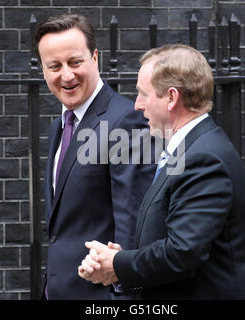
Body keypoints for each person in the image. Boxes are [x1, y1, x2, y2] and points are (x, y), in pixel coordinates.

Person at [78, 44, 245, 299]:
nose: (137, 105)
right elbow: (171, 235)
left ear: (172, 97)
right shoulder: (191, 147)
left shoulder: (204, 158)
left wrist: (117, 264)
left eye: (143, 94)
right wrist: (121, 259)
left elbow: (182, 253)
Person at [35, 14, 156, 299]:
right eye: (54, 66)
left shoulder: (125, 121)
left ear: (95, 57)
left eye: (75, 62)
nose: (66, 75)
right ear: (43, 70)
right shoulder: (60, 125)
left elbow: (133, 226)